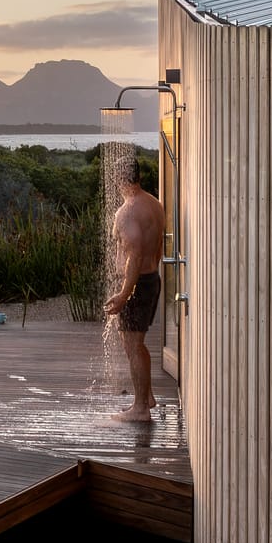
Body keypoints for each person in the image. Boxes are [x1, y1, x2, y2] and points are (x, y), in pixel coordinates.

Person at [104, 159, 166, 422]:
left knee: (132, 345)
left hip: (137, 285)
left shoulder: (128, 211)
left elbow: (135, 256)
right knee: (136, 345)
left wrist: (123, 293)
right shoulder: (154, 204)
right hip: (150, 279)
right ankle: (147, 396)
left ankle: (140, 408)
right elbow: (157, 248)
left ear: (119, 178)